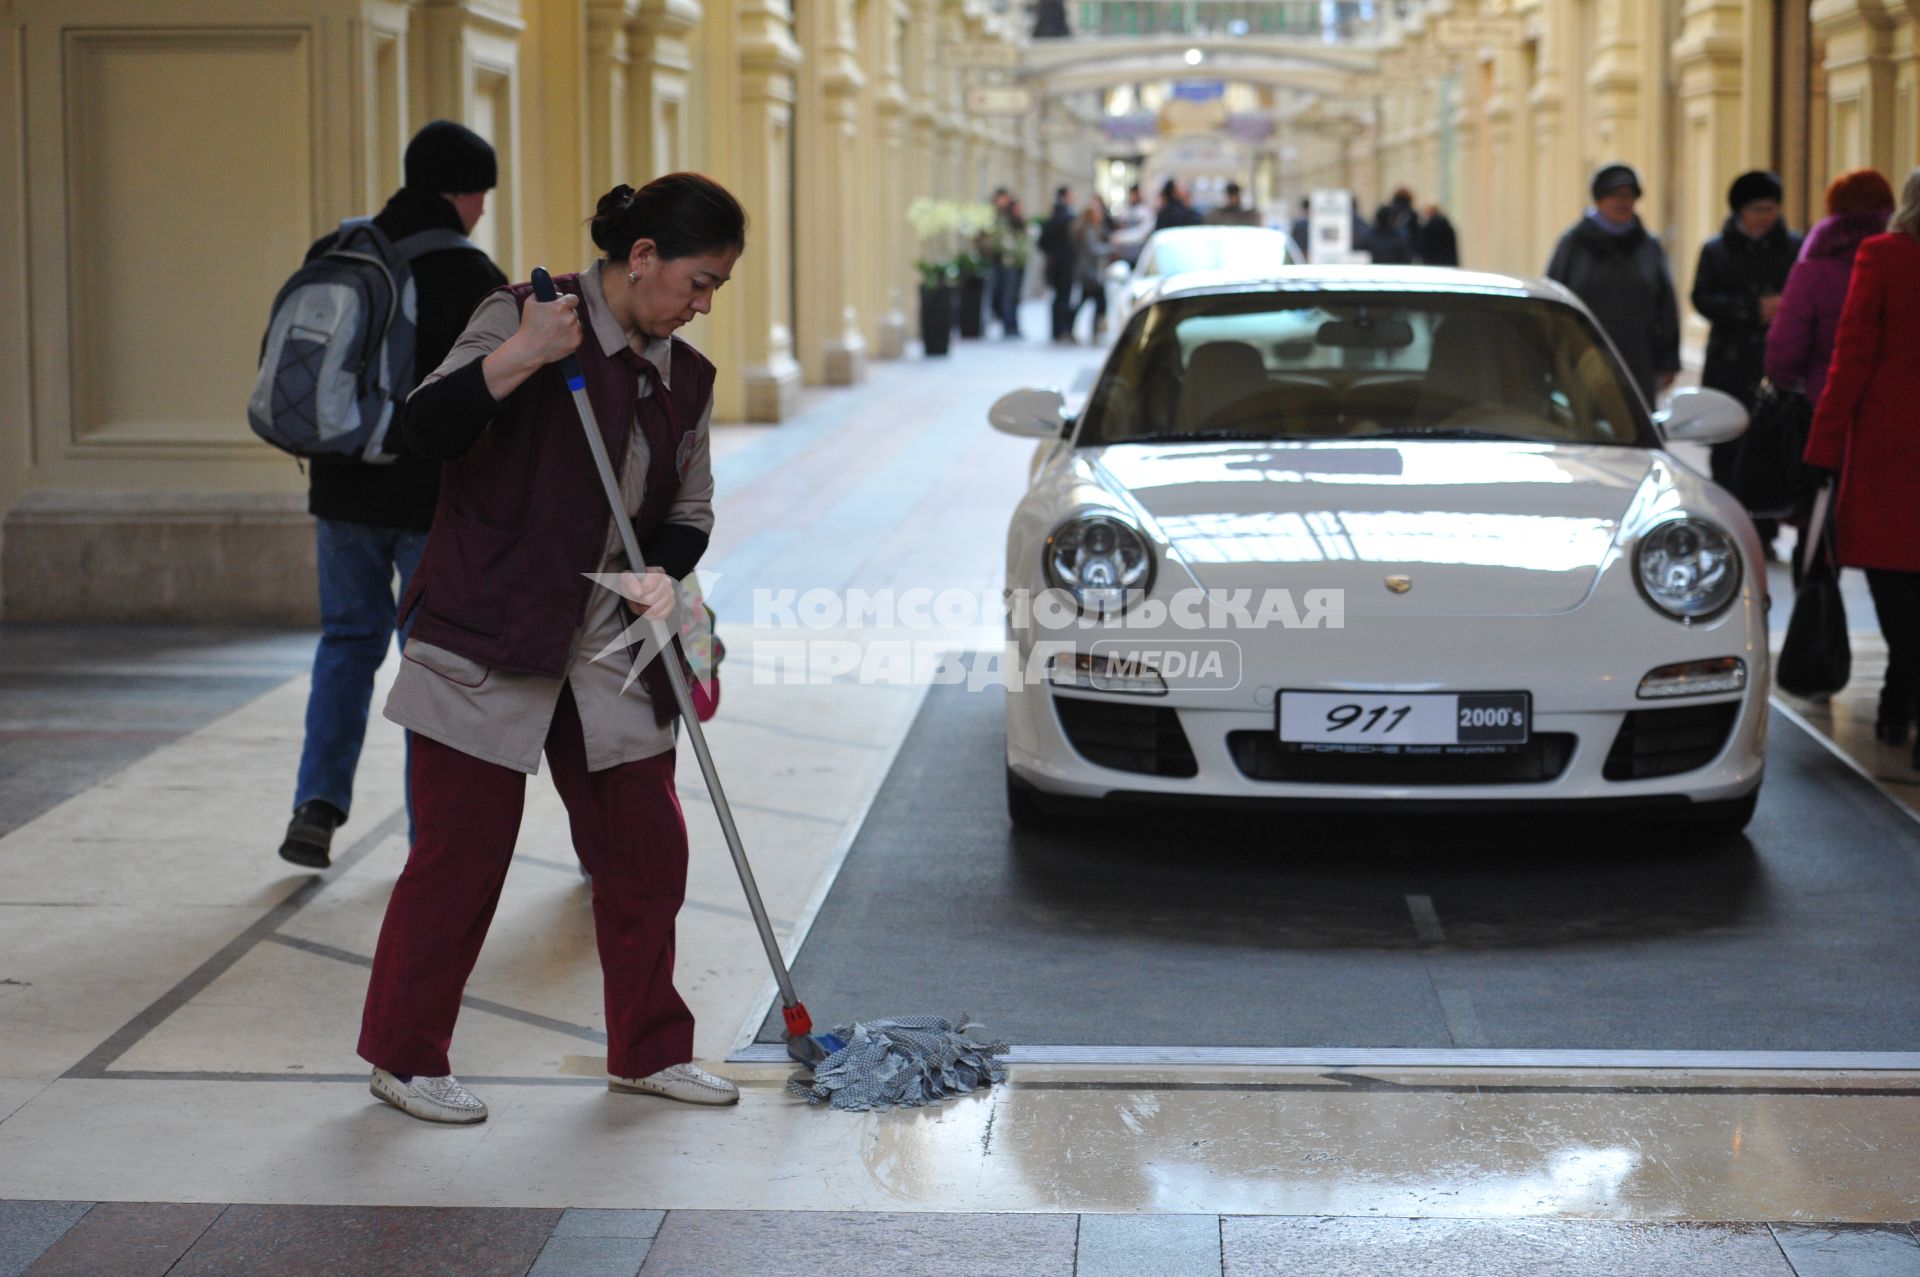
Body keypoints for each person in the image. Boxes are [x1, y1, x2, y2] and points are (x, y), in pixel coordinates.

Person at [356, 173, 746, 1123]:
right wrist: (523, 354)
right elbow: (426, 427)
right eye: (697, 282)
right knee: (461, 851)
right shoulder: (524, 313)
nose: (701, 307)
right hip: (490, 623)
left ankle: (649, 1049)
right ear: (642, 256)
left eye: (716, 292)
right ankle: (406, 1056)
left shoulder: (683, 378)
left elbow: (689, 510)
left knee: (645, 847)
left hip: (611, 635)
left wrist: (663, 571)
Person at [277, 120, 507, 871]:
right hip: (426, 499)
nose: (480, 211)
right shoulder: (472, 275)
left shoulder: (337, 250)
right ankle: (428, 838)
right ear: (458, 191)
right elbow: (489, 398)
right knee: (429, 663)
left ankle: (316, 802)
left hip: (341, 487)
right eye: (479, 195)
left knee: (345, 642)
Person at [1802, 169, 1920, 759]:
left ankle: (1903, 695)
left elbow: (1850, 361)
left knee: (1893, 580)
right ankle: (1901, 696)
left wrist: (1821, 452)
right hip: (1894, 446)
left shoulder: (1882, 257)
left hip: (1889, 445)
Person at [1691, 170, 1801, 550]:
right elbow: (1702, 299)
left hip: (1776, 363)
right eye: (1756, 209)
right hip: (1730, 363)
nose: (1764, 216)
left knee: (1769, 445)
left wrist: (1784, 308)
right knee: (1727, 446)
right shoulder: (1716, 250)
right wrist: (1751, 309)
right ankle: (1725, 525)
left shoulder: (1793, 247)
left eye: (1771, 208)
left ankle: (1766, 530)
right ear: (1740, 211)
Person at [1545, 163, 1681, 404]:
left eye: (1629, 195)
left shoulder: (1648, 246)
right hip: (1581, 355)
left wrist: (1668, 361)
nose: (1623, 202)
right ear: (1599, 199)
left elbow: (1665, 306)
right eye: (1615, 195)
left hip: (1637, 358)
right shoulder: (1573, 244)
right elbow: (1553, 299)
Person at [1765, 169, 1895, 421]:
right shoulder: (1902, 263)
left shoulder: (1813, 270)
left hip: (1822, 401)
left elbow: (1785, 348)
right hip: (1892, 407)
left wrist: (1788, 382)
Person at [1039, 185, 1078, 343]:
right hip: (1065, 263)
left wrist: (1052, 253)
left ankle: (1057, 330)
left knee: (1058, 297)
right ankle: (1061, 330)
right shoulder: (1068, 218)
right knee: (1063, 297)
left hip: (1055, 262)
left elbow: (1042, 242)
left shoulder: (1053, 217)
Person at [1071, 200, 1112, 341]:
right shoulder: (1087, 230)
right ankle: (1094, 330)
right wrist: (1110, 248)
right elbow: (1093, 250)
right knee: (1099, 301)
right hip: (1089, 273)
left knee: (1088, 301)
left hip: (1090, 272)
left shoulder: (1091, 228)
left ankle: (1092, 330)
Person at [990, 193, 1029, 338]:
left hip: (1020, 263)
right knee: (1009, 296)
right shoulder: (1005, 222)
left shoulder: (1022, 223)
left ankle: (1015, 325)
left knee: (1016, 297)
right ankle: (1009, 325)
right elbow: (1001, 242)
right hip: (1009, 263)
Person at [1110, 183, 1155, 266]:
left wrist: (1121, 237)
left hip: (1138, 254)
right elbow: (1120, 226)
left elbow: (1142, 234)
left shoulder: (1145, 212)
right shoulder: (1126, 211)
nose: (1132, 197)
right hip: (1125, 255)